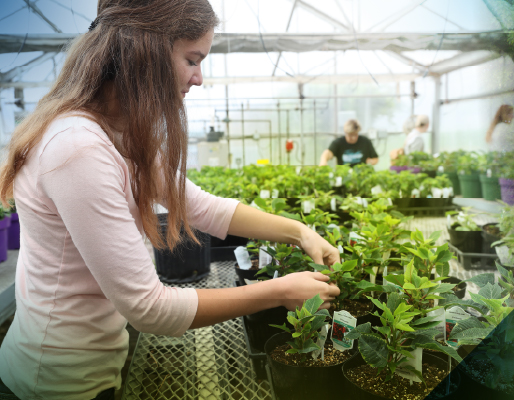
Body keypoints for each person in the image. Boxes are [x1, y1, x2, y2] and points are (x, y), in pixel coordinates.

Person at [0, 1, 342, 399]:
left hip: (90, 367)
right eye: (192, 59)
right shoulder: (78, 149)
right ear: (143, 51)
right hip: (54, 382)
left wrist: (301, 233)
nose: (198, 78)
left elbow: (200, 205)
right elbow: (149, 307)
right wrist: (280, 291)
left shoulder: (118, 134)